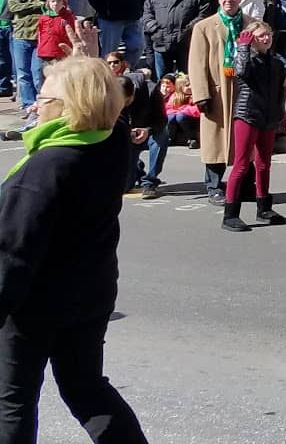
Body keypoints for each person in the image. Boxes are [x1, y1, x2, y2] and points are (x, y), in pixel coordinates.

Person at [0, 56, 149, 443]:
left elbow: (12, 254)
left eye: (44, 98)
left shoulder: (45, 168)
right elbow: (112, 110)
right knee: (86, 387)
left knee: (12, 402)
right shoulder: (111, 143)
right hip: (90, 294)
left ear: (70, 107)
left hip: (35, 304)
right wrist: (88, 57)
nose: (35, 106)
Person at [222, 20, 286, 232]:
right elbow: (241, 72)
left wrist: (281, 114)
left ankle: (264, 208)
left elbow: (279, 87)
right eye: (261, 35)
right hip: (247, 114)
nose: (266, 38)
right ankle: (230, 214)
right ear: (252, 39)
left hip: (268, 116)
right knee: (242, 164)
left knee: (264, 164)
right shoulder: (246, 58)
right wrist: (243, 47)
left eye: (268, 34)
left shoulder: (275, 61)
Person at [188, 0, 247, 202]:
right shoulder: (204, 27)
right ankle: (213, 186)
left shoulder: (250, 24)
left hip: (244, 89)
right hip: (217, 90)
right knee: (215, 141)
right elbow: (196, 63)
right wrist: (201, 94)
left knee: (244, 140)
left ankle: (243, 185)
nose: (229, 0)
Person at [140, 0, 205, 81]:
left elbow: (203, 14)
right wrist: (154, 29)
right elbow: (147, 13)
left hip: (185, 44)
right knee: (163, 80)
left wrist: (188, 31)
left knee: (186, 78)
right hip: (162, 43)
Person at [5, 0, 51, 122]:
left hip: (41, 36)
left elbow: (52, 4)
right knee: (22, 74)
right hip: (21, 34)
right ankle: (28, 105)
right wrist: (38, 5)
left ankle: (40, 106)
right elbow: (13, 6)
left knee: (38, 73)